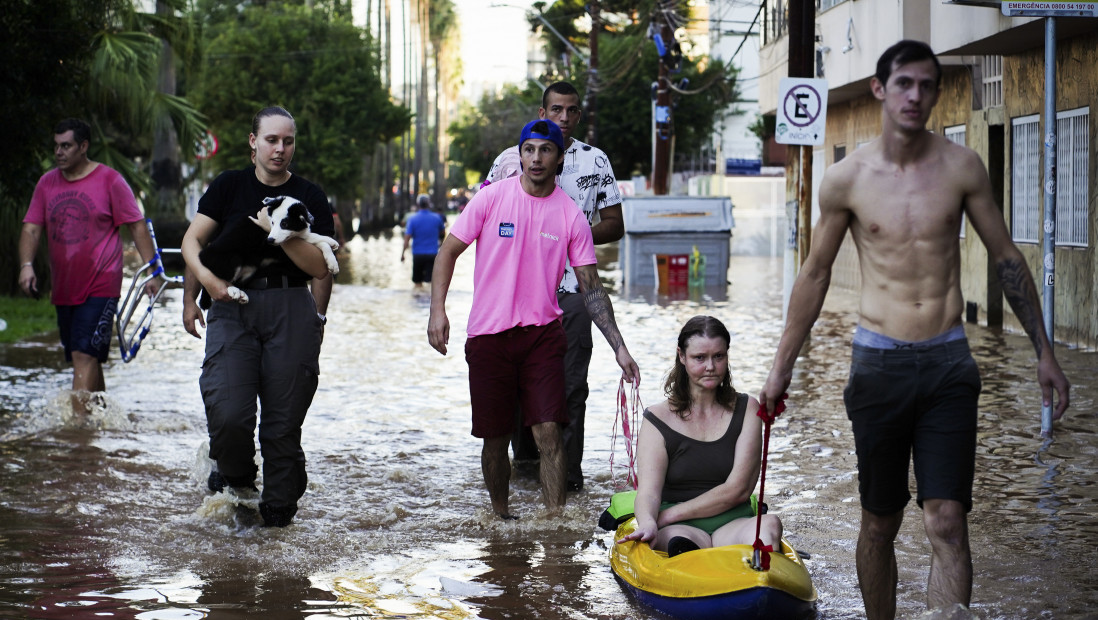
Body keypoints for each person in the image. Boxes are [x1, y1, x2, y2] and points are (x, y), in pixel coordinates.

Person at [758, 40, 1070, 619]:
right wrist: (781, 369)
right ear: (880, 88)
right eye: (904, 83)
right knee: (880, 521)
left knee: (947, 520)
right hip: (878, 365)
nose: (916, 96)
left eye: (927, 85)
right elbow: (816, 273)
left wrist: (1044, 353)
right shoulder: (847, 178)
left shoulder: (961, 166)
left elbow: (1006, 257)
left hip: (949, 362)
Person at [428, 119, 639, 519]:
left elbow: (591, 287)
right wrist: (438, 312)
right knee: (495, 438)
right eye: (529, 149)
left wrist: (620, 348)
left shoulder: (571, 215)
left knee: (549, 432)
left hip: (542, 335)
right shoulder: (491, 199)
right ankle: (501, 517)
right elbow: (448, 252)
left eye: (546, 150)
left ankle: (555, 523)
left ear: (560, 158)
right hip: (489, 336)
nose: (536, 158)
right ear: (519, 154)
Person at [181, 106, 334, 528]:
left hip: (291, 308)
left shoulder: (310, 195)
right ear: (253, 142)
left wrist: (276, 230)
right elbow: (195, 243)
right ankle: (237, 478)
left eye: (288, 141)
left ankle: (280, 513)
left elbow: (319, 268)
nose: (280, 149)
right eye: (271, 140)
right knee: (229, 414)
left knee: (282, 426)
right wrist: (194, 296)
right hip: (230, 305)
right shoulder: (229, 186)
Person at [485, 81, 625, 492]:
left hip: (573, 292)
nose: (564, 118)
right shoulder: (509, 162)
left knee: (569, 387)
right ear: (542, 113)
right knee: (512, 389)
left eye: (572, 111)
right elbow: (483, 219)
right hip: (513, 298)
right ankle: (526, 466)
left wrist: (572, 236)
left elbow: (615, 223)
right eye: (556, 110)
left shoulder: (594, 161)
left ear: (579, 116)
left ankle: (567, 480)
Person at [18, 118, 162, 415]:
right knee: (85, 357)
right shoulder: (47, 183)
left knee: (83, 355)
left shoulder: (110, 180)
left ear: (83, 147)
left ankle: (77, 438)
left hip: (101, 283)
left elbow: (136, 227)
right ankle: (102, 423)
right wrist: (26, 265)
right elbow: (32, 228)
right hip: (64, 287)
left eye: (66, 146)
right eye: (56, 146)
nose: (59, 152)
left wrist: (153, 271)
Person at [618, 316, 782, 556]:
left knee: (769, 525)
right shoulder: (657, 418)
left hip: (733, 522)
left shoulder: (748, 408)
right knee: (678, 543)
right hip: (679, 529)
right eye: (699, 358)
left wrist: (667, 516)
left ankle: (758, 578)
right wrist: (649, 522)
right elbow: (649, 492)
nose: (710, 367)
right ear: (682, 357)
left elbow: (738, 490)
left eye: (718, 356)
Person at [401, 193, 446, 289]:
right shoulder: (437, 218)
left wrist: (403, 254)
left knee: (417, 283)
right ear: (429, 204)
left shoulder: (412, 219)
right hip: (432, 254)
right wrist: (441, 245)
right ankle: (428, 302)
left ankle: (418, 302)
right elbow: (443, 233)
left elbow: (407, 238)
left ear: (418, 204)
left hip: (418, 255)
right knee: (430, 283)